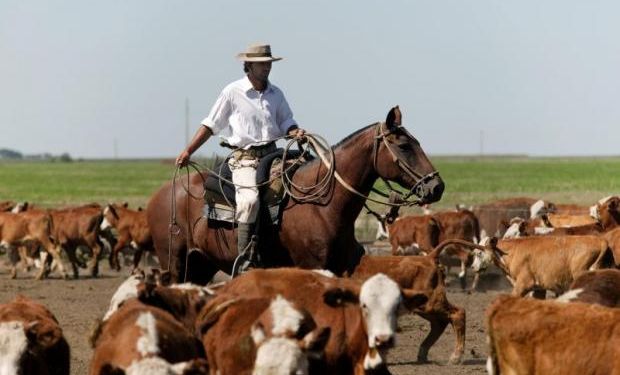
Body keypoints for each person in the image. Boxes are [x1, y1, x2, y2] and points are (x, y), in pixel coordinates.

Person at [176, 43, 306, 270]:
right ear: (249, 65)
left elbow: (286, 121)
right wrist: (189, 150)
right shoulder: (232, 92)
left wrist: (295, 131)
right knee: (249, 201)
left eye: (268, 63)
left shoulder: (276, 93)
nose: (266, 67)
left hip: (275, 154)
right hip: (246, 159)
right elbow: (211, 124)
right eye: (261, 64)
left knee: (307, 179)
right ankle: (246, 262)